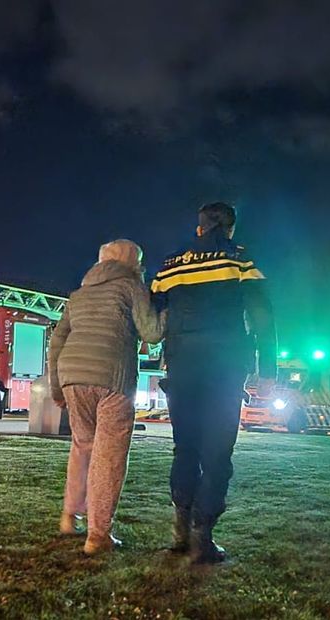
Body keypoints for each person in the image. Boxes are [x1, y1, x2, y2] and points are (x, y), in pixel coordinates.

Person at [150, 202, 277, 565]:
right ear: (231, 228)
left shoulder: (170, 264)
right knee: (218, 452)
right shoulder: (239, 260)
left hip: (182, 366)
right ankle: (202, 536)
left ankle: (179, 530)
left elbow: (153, 308)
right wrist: (268, 368)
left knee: (184, 448)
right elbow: (263, 315)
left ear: (200, 227)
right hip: (224, 366)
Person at [48, 240, 166, 556]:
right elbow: (152, 332)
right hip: (113, 377)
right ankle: (98, 535)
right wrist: (168, 308)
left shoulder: (79, 294)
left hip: (73, 374)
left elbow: (57, 342)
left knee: (82, 446)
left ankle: (69, 517)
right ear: (133, 263)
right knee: (109, 455)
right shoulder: (132, 287)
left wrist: (57, 388)